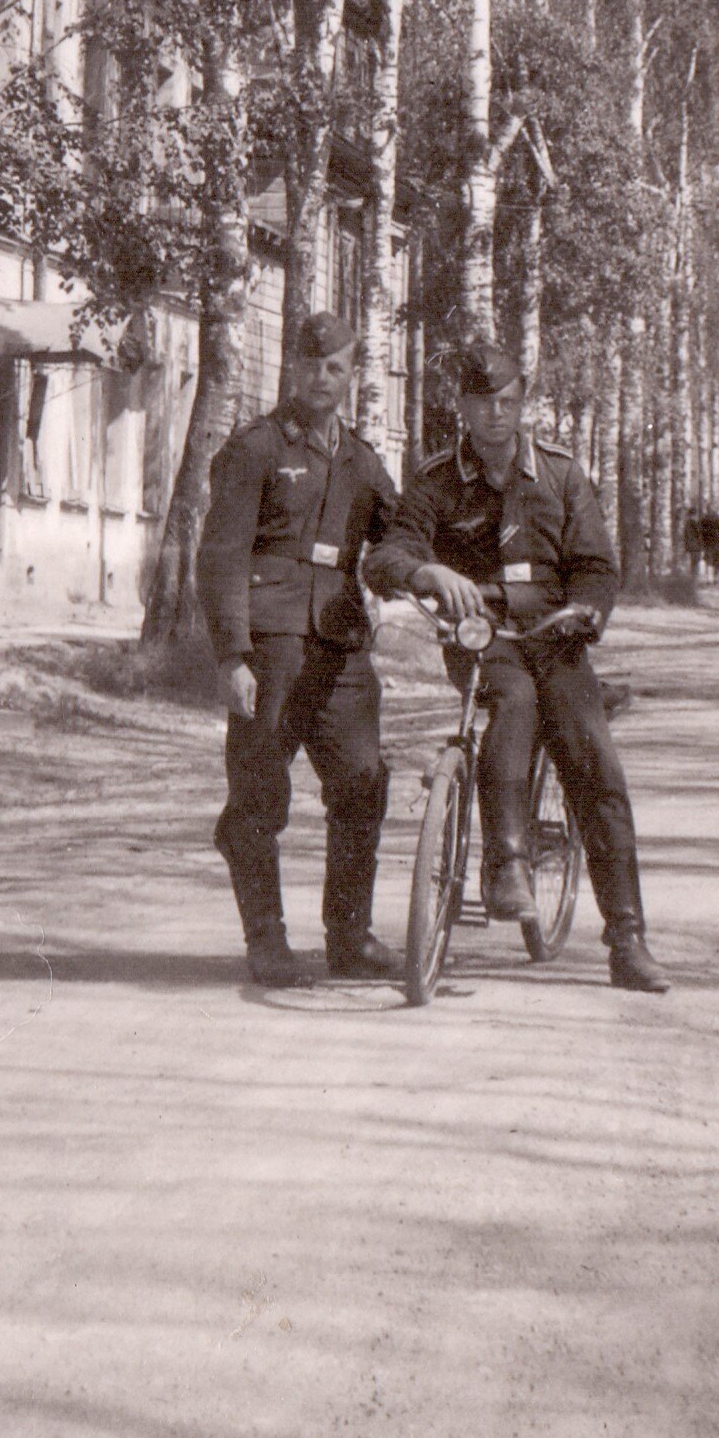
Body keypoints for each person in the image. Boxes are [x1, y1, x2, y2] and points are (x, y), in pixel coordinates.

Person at [370, 339, 671, 994]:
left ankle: (627, 938)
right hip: (484, 637)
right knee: (512, 703)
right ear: (462, 406)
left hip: (555, 636)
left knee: (594, 762)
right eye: (481, 404)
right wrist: (427, 570)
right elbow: (388, 553)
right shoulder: (436, 480)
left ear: (522, 402)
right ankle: (507, 864)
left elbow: (596, 566)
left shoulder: (560, 476)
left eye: (506, 403)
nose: (494, 418)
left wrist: (584, 612)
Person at [196, 309, 401, 990]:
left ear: (351, 375)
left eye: (335, 367)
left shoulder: (361, 461)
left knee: (363, 784)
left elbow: (398, 535)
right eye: (311, 365)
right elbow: (221, 554)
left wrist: (433, 572)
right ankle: (267, 942)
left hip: (339, 650)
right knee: (257, 795)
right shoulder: (255, 448)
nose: (321, 377)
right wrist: (230, 655)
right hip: (270, 646)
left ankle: (348, 937)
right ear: (292, 368)